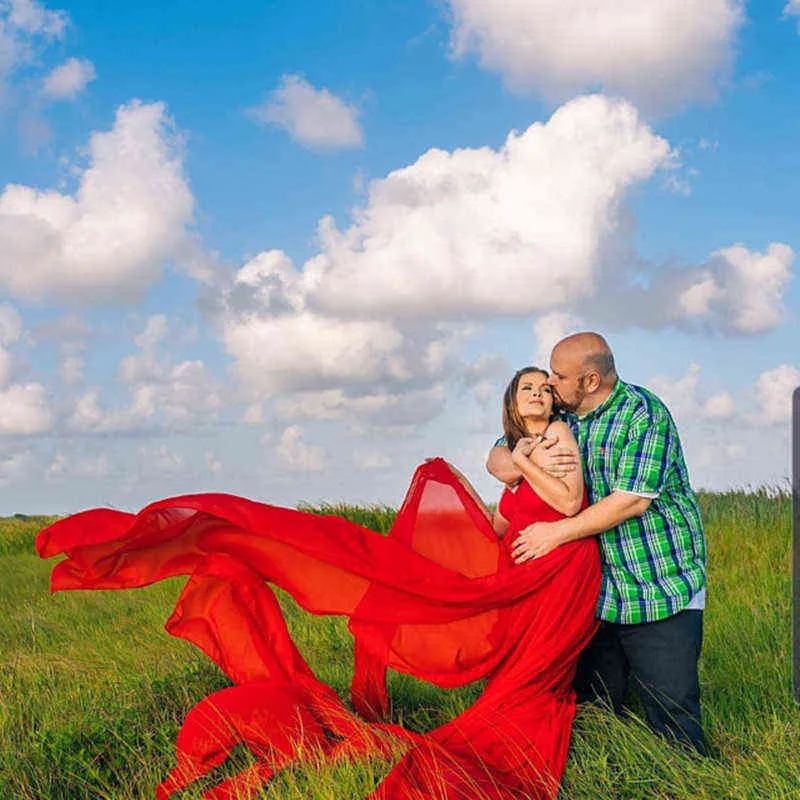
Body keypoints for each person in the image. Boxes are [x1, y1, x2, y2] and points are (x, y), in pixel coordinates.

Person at [37, 367, 601, 800]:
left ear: (555, 401)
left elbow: (570, 503)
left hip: (563, 569)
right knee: (498, 657)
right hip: (527, 571)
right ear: (511, 400)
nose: (537, 394)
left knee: (533, 680)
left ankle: (518, 749)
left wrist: (520, 460)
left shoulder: (554, 441)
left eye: (544, 389)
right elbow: (505, 523)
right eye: (526, 387)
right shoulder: (513, 449)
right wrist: (444, 540)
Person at [487, 332, 708, 756]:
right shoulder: (562, 417)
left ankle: (689, 779)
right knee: (596, 708)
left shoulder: (644, 415)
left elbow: (631, 501)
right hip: (594, 593)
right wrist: (519, 459)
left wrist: (555, 532)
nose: (549, 383)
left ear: (590, 381)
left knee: (671, 708)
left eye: (559, 375)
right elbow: (499, 450)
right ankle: (606, 773)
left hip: (657, 585)